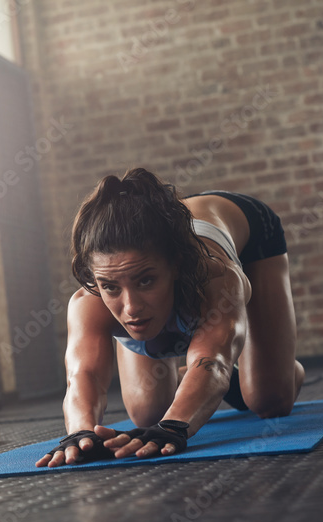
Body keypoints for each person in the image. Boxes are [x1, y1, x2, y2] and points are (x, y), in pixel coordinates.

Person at [37, 167, 305, 468]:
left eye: (146, 281)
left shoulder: (216, 278)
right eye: (111, 287)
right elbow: (83, 374)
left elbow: (213, 360)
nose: (131, 307)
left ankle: (279, 365)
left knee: (268, 400)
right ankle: (193, 372)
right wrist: (81, 433)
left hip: (249, 232)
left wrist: (175, 427)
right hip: (171, 261)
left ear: (177, 265)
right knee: (147, 414)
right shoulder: (89, 301)